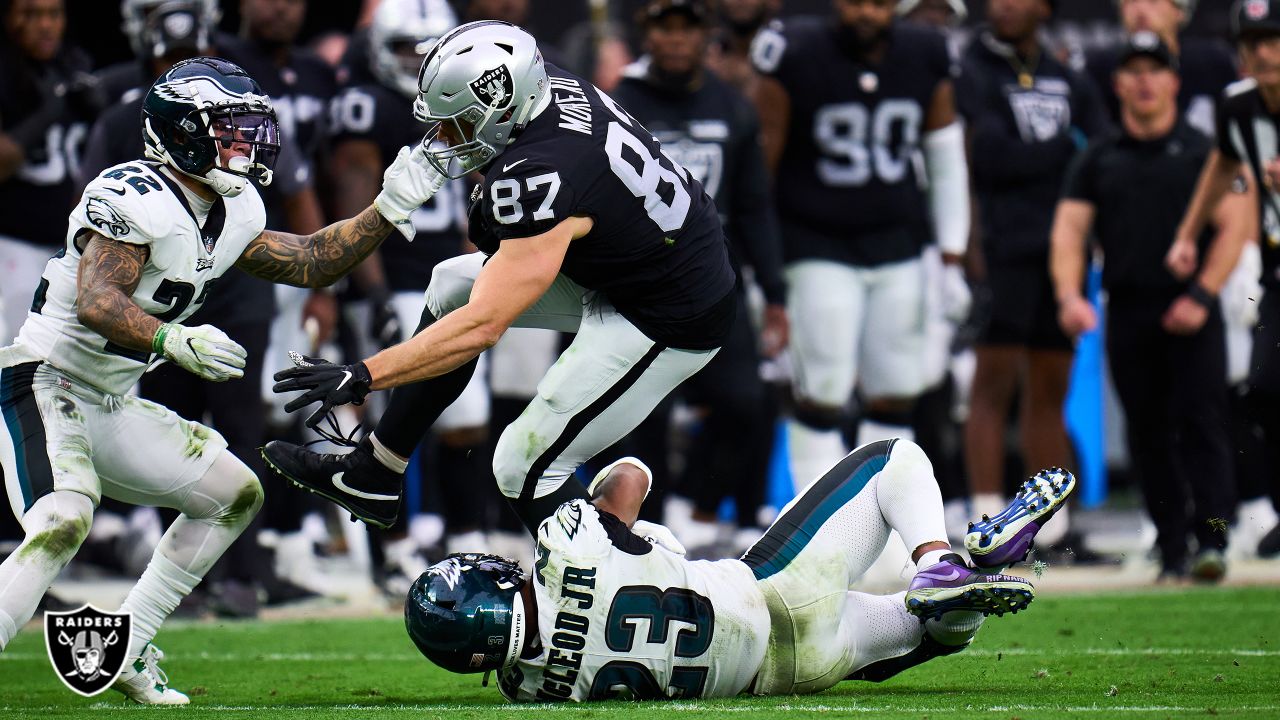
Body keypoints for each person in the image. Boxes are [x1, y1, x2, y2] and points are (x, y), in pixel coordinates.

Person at [0, 56, 446, 702]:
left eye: (249, 128)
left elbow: (309, 262)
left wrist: (387, 206)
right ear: (183, 130)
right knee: (64, 519)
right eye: (229, 129)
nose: (247, 143)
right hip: (45, 384)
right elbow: (98, 299)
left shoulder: (234, 206)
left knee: (233, 493)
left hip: (111, 398)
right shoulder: (130, 193)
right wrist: (170, 337)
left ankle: (126, 644)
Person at [261, 21, 738, 542]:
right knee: (450, 284)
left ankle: (614, 590)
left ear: (501, 106)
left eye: (458, 123)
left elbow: (484, 326)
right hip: (633, 262)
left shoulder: (542, 174)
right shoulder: (542, 85)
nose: (443, 137)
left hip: (665, 312)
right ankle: (375, 472)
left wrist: (364, 374)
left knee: (522, 464)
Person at [403, 440, 1076, 701]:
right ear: (488, 588)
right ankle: (938, 560)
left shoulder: (534, 692)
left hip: (785, 675)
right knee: (894, 461)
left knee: (926, 632)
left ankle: (961, 580)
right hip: (774, 589)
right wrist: (603, 503)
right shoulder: (567, 547)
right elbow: (634, 476)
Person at [748, 0, 972, 493]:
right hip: (815, 240)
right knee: (821, 389)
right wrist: (759, 261)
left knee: (897, 391)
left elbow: (946, 159)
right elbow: (760, 167)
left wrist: (952, 258)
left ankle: (882, 529)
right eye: (855, 2)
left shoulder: (924, 52)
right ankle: (818, 534)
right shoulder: (796, 51)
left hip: (898, 242)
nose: (865, 13)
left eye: (877, 2)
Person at [1051, 32, 1250, 581]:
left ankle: (1213, 540)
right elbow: (1069, 233)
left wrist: (1203, 293)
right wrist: (1070, 296)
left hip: (1193, 308)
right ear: (1117, 84)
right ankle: (1170, 547)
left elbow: (1235, 224)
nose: (1144, 80)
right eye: (1133, 70)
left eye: (1154, 69)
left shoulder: (1202, 153)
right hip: (1131, 309)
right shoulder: (1098, 158)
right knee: (1147, 431)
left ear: (1174, 82)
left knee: (1202, 422)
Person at [610, 0, 787, 552]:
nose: (677, 39)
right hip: (636, 287)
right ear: (646, 31)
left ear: (707, 34)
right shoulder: (618, 105)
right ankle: (648, 529)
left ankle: (696, 504)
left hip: (714, 283)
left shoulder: (732, 106)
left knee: (743, 403)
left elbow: (755, 206)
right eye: (666, 26)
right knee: (641, 418)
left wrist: (776, 292)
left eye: (688, 27)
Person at [328, 0, 496, 555]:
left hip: (453, 273)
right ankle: (392, 549)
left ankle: (466, 535)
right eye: (406, 48)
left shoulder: (468, 103)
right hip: (397, 278)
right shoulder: (366, 107)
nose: (418, 60)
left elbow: (480, 197)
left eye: (429, 49)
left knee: (468, 416)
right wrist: (371, 292)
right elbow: (359, 206)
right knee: (392, 419)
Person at [956, 0, 1107, 551]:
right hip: (1002, 246)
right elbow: (991, 155)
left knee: (1051, 388)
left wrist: (1050, 155)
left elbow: (1101, 147)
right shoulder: (971, 69)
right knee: (992, 384)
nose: (1005, 6)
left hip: (1064, 251)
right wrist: (1064, 148)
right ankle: (985, 519)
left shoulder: (1066, 73)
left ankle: (1052, 528)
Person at [1174, 1, 1280, 558]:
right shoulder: (1238, 106)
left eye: (1273, 39)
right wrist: (1189, 233)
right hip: (1277, 268)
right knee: (1262, 388)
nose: (1261, 52)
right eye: (1252, 41)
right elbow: (1221, 164)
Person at [0, 0, 104, 343]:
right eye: (31, 14)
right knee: (25, 349)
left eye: (53, 14)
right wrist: (47, 113)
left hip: (76, 243)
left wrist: (99, 109)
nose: (45, 25)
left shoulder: (73, 65)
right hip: (16, 242)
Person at [1084, 0, 1237, 137]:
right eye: (1131, 1)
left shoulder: (1213, 62)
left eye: (1153, 1)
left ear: (1179, 11)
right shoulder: (1100, 67)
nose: (1141, 10)